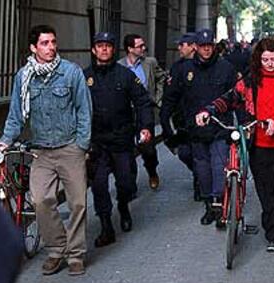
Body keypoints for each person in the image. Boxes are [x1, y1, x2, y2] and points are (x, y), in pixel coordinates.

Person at [0, 25, 92, 275]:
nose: (51, 48)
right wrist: (5, 139)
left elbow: (84, 110)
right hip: (42, 151)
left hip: (70, 148)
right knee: (41, 201)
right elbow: (16, 114)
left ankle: (75, 255)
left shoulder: (71, 73)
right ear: (33, 48)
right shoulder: (24, 76)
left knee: (78, 203)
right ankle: (57, 249)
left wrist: (81, 145)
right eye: (45, 43)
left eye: (53, 42)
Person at [196, 38, 274, 254]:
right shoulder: (250, 81)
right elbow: (229, 98)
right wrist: (209, 110)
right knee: (267, 192)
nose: (270, 63)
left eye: (273, 59)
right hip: (260, 145)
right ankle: (273, 234)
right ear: (258, 60)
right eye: (265, 59)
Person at [84, 32, 153, 247]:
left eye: (108, 46)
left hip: (122, 140)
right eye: (100, 46)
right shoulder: (83, 77)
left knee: (126, 183)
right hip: (96, 142)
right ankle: (106, 226)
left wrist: (145, 127)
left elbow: (142, 102)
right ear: (94, 50)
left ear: (113, 50)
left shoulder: (125, 76)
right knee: (99, 186)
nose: (104, 49)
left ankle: (123, 206)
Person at [163, 28, 236, 227]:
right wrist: (166, 120)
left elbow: (235, 97)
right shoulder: (184, 70)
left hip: (219, 127)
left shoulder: (226, 68)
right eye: (202, 46)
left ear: (214, 46)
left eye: (209, 46)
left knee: (218, 166)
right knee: (202, 169)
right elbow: (172, 97)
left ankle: (221, 205)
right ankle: (208, 205)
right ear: (195, 47)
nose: (206, 50)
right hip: (195, 130)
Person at [118, 34, 166, 190]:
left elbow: (162, 78)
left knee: (148, 147)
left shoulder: (150, 63)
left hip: (145, 111)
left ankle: (152, 171)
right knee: (127, 149)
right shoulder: (119, 67)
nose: (143, 48)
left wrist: (157, 98)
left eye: (143, 45)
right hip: (126, 113)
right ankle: (130, 183)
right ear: (130, 49)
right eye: (140, 46)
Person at [160, 32, 201, 201]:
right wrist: (165, 117)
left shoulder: (204, 65)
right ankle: (198, 173)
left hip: (201, 119)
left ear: (192, 46)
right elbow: (170, 94)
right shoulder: (177, 67)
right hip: (182, 119)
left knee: (200, 153)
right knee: (185, 153)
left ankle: (200, 182)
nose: (179, 48)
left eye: (182, 45)